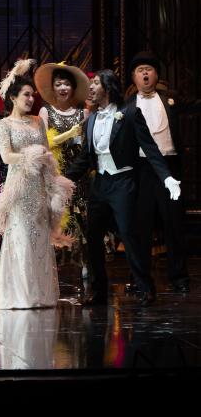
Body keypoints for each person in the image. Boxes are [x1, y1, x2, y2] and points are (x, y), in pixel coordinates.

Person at [64, 69, 181, 307]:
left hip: (123, 182)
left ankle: (145, 287)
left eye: (96, 83)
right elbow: (85, 159)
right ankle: (99, 290)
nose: (91, 87)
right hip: (100, 184)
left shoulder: (129, 113)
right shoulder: (92, 119)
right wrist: (62, 180)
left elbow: (150, 148)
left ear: (108, 87)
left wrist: (167, 177)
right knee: (93, 236)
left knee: (128, 235)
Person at [0, 61, 74, 310]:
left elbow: (47, 152)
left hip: (39, 186)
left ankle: (40, 293)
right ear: (13, 97)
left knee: (39, 237)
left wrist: (53, 182)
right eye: (26, 95)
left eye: (33, 95)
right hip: (19, 188)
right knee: (21, 237)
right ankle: (21, 295)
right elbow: (6, 156)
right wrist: (30, 156)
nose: (31, 99)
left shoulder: (37, 122)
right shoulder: (4, 125)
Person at [126, 51, 192, 293]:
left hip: (169, 165)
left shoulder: (169, 99)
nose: (145, 73)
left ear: (156, 75)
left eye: (149, 69)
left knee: (174, 224)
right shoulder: (127, 106)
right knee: (141, 226)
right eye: (140, 70)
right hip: (142, 168)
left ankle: (179, 278)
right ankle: (140, 280)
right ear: (134, 77)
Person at [34, 62, 91, 269]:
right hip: (55, 173)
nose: (63, 88)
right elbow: (42, 143)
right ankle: (52, 265)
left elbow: (88, 145)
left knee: (81, 216)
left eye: (67, 84)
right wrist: (68, 135)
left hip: (79, 174)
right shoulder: (45, 111)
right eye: (58, 84)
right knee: (56, 214)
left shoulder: (83, 113)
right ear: (53, 88)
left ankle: (84, 264)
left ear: (73, 88)